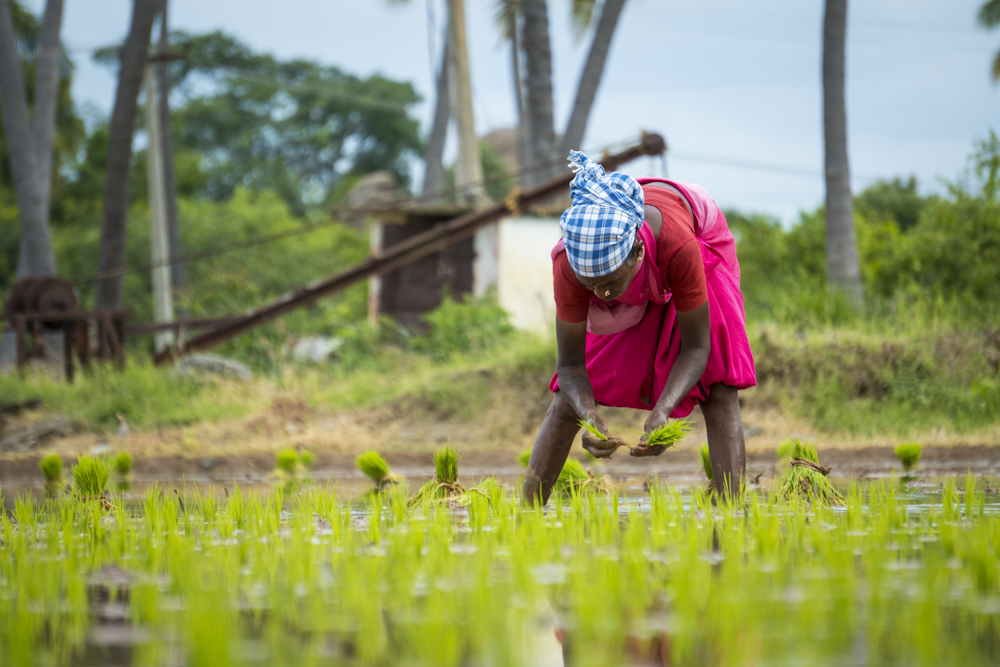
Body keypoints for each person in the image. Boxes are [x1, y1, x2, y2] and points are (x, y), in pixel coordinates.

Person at [523, 151, 756, 505]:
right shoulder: (568, 264)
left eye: (610, 283)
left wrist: (663, 409)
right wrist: (588, 415)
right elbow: (570, 367)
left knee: (719, 384)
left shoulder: (678, 246)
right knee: (566, 401)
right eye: (591, 285)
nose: (601, 294)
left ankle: (731, 510)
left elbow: (697, 346)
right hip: (649, 269)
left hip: (698, 240)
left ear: (635, 254)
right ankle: (526, 512)